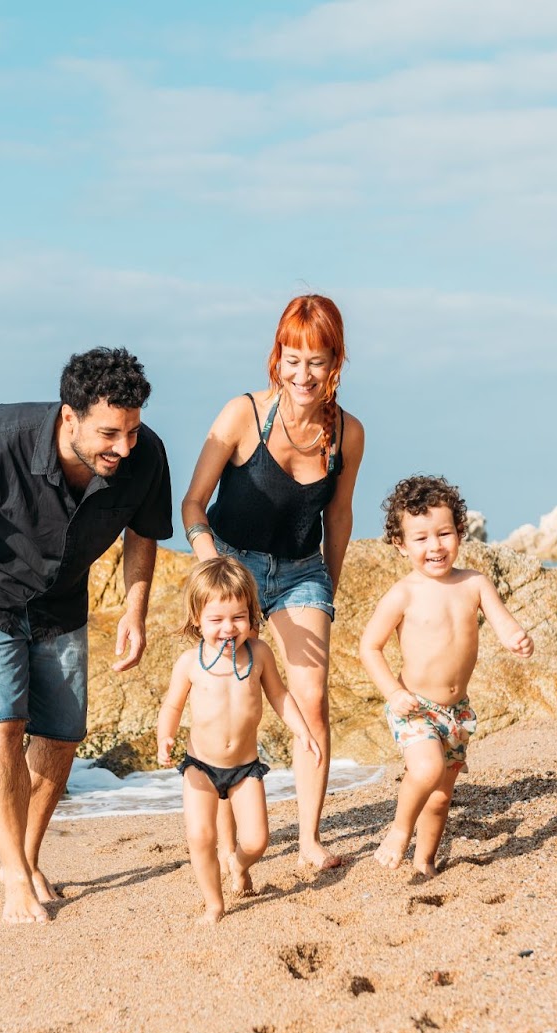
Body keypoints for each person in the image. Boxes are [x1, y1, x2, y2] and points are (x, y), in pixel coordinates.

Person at [0, 348, 172, 924]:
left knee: (60, 735)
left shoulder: (146, 454)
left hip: (62, 597)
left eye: (131, 430)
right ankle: (11, 875)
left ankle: (27, 859)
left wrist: (135, 611)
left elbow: (142, 534)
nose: (123, 447)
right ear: (69, 418)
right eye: (110, 433)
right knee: (2, 721)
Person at [181, 294, 364, 870]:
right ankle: (232, 821)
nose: (302, 374)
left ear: (335, 362)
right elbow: (192, 503)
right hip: (233, 571)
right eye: (292, 358)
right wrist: (210, 563)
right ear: (276, 358)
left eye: (316, 360)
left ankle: (309, 838)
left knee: (311, 696)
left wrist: (326, 591)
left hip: (301, 571)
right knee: (235, 694)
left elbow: (338, 516)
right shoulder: (243, 415)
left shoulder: (347, 434)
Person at [358, 475, 534, 878]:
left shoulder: (474, 583)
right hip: (415, 707)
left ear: (459, 532)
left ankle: (425, 862)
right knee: (424, 771)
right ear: (401, 545)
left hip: (457, 714)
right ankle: (399, 833)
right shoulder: (404, 593)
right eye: (420, 539)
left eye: (443, 534)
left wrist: (517, 639)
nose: (434, 546)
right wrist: (392, 691)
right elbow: (369, 647)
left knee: (439, 798)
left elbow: (503, 622)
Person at [156, 556, 322, 923]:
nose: (229, 628)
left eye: (238, 617)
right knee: (200, 836)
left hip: (245, 769)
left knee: (257, 841)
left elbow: (280, 696)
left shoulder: (259, 654)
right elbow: (171, 705)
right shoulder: (190, 662)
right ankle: (214, 903)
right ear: (197, 618)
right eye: (216, 620)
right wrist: (165, 737)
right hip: (199, 767)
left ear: (252, 614)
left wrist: (302, 730)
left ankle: (238, 863)